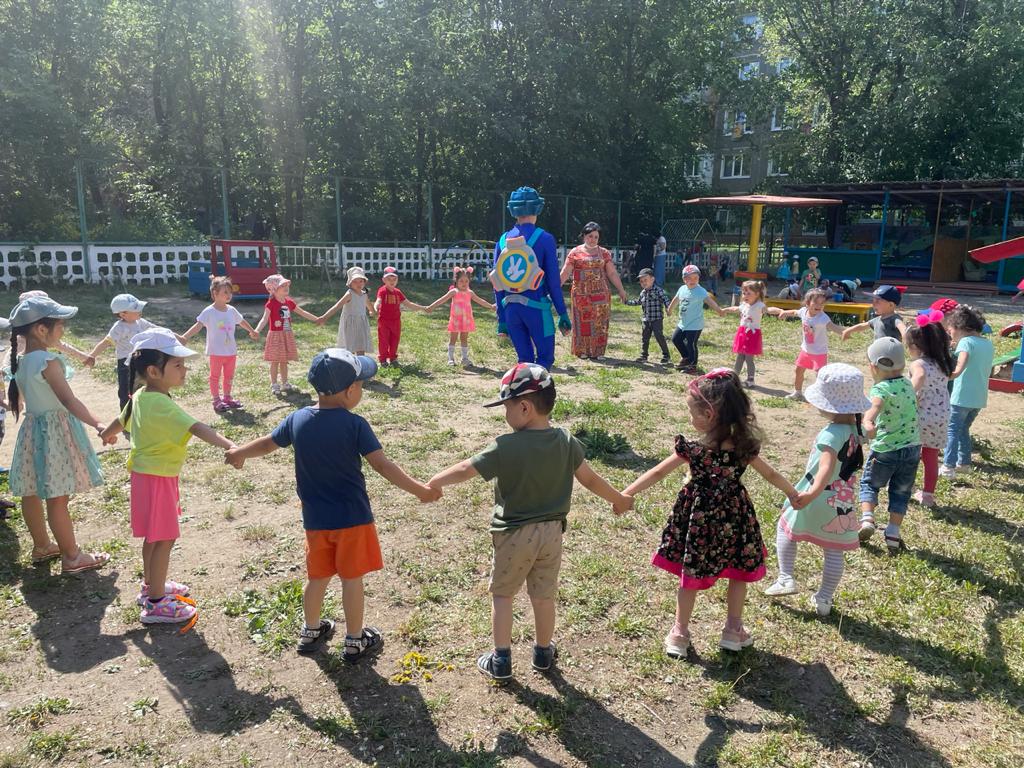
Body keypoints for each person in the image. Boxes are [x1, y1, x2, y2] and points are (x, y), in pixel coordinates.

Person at [226, 349, 439, 658]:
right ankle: (354, 640)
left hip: (315, 520)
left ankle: (311, 629)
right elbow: (383, 465)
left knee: (317, 578)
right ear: (350, 390)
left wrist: (240, 452)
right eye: (361, 385)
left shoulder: (297, 418)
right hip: (353, 519)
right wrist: (420, 490)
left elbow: (268, 443)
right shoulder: (355, 425)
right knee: (352, 579)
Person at [427, 363, 632, 681]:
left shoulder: (505, 446)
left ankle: (501, 660)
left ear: (524, 407)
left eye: (506, 407)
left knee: (503, 595)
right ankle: (543, 652)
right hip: (552, 534)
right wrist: (618, 498)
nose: (505, 414)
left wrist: (435, 482)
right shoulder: (565, 441)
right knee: (543, 595)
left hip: (513, 534)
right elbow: (590, 479)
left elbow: (467, 468)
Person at [621, 369, 801, 656]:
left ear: (708, 414)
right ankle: (732, 630)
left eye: (692, 413)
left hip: (699, 519)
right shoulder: (743, 448)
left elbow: (657, 472)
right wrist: (792, 494)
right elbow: (771, 474)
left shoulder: (693, 450)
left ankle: (679, 633)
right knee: (739, 572)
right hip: (735, 517)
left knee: (690, 573)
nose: (690, 419)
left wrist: (627, 493)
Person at [99, 329, 235, 625]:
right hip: (158, 477)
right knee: (164, 537)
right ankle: (157, 603)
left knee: (154, 535)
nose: (184, 369)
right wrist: (230, 446)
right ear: (153, 371)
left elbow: (121, 419)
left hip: (145, 475)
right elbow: (197, 427)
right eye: (177, 364)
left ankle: (152, 585)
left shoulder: (141, 395)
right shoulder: (161, 403)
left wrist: (106, 434)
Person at [7, 296, 109, 574]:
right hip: (55, 435)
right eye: (60, 325)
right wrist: (99, 424)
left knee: (31, 491)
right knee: (57, 497)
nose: (63, 330)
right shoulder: (48, 361)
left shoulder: (20, 362)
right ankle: (72, 556)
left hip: (32, 432)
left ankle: (42, 546)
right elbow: (68, 401)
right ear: (41, 329)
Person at [765, 363, 868, 616]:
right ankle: (824, 599)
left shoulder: (830, 434)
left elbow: (825, 468)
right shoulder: (856, 430)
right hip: (841, 501)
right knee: (834, 549)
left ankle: (786, 577)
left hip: (818, 495)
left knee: (785, 528)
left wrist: (810, 494)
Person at [491, 187, 571, 370]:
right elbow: (553, 282)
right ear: (537, 208)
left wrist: (502, 320)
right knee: (545, 359)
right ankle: (539, 389)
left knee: (524, 361)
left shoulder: (502, 241)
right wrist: (562, 313)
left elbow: (497, 283)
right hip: (538, 309)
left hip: (511, 310)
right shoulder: (545, 238)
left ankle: (524, 389)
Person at [859, 337, 921, 553]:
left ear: (873, 366)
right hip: (912, 448)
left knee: (870, 484)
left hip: (885, 449)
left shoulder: (880, 389)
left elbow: (875, 407)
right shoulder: (907, 384)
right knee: (901, 491)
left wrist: (868, 421)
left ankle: (867, 519)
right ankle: (893, 532)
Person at [180, 277, 260, 413]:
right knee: (215, 376)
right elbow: (198, 325)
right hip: (216, 352)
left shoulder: (231, 310)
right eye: (225, 292)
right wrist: (185, 337)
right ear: (215, 294)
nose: (229, 295)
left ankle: (227, 397)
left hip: (231, 352)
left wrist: (252, 331)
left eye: (230, 292)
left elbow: (241, 321)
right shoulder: (209, 312)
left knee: (229, 376)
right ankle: (216, 399)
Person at [905, 312, 954, 507]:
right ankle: (927, 496)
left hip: (921, 416)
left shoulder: (918, 364)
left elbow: (918, 378)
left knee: (911, 455)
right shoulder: (942, 363)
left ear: (915, 347)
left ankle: (905, 487)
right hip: (941, 416)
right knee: (931, 456)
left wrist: (907, 393)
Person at [559, 222, 628, 360]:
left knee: (600, 322)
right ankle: (582, 350)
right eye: (590, 236)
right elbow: (566, 272)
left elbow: (612, 273)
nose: (593, 239)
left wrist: (621, 290)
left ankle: (598, 351)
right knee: (582, 322)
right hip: (580, 294)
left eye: (596, 237)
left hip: (601, 294)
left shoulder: (604, 253)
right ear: (584, 236)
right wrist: (554, 289)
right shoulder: (574, 252)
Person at [940, 305, 994, 478]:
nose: (950, 334)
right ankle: (964, 463)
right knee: (963, 428)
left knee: (952, 430)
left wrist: (947, 376)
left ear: (960, 328)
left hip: (961, 397)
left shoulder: (965, 342)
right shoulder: (987, 343)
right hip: (979, 397)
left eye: (951, 331)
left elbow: (960, 365)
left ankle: (948, 466)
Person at [86, 293, 157, 413]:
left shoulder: (140, 322)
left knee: (143, 388)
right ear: (123, 314)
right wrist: (92, 355)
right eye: (135, 309)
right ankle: (126, 417)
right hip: (126, 364)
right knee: (126, 391)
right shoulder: (119, 328)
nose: (140, 310)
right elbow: (106, 342)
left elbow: (157, 329)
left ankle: (142, 414)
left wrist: (176, 336)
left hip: (141, 360)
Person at [770, 288, 844, 401]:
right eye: (816, 302)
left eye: (822, 303)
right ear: (807, 303)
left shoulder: (822, 317)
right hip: (805, 350)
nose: (819, 306)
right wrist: (785, 312)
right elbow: (794, 312)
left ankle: (823, 396)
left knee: (820, 375)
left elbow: (833, 327)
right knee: (798, 371)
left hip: (819, 352)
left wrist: (846, 332)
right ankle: (798, 392)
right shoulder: (804, 311)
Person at [254, 274, 322, 395]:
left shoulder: (289, 302)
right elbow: (264, 319)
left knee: (284, 360)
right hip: (275, 335)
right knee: (275, 361)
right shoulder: (271, 303)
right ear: (274, 290)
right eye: (282, 286)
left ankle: (285, 383)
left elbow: (302, 312)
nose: (286, 287)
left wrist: (316, 319)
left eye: (286, 285)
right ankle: (274, 384)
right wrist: (257, 330)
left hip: (287, 334)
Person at [425, 266, 496, 366]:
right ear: (456, 281)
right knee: (453, 338)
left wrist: (491, 306)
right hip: (456, 320)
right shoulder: (454, 292)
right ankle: (450, 358)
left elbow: (480, 301)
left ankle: (465, 358)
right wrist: (431, 306)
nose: (464, 283)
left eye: (466, 281)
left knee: (464, 339)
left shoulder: (470, 292)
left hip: (466, 320)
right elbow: (442, 300)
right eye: (461, 281)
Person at [667, 265, 725, 373]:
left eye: (695, 278)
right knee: (676, 339)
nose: (693, 280)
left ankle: (692, 365)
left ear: (698, 278)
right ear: (684, 279)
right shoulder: (682, 289)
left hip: (695, 324)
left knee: (691, 344)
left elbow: (710, 301)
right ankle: (686, 358)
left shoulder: (700, 291)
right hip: (683, 323)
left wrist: (719, 310)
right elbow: (676, 299)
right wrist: (670, 309)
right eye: (689, 278)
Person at [373, 266, 428, 365]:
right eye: (389, 279)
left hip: (396, 321)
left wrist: (423, 308)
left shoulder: (398, 292)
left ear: (397, 280)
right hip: (384, 321)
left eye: (394, 279)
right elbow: (378, 300)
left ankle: (393, 358)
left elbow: (409, 304)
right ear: (383, 280)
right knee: (384, 340)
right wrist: (375, 308)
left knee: (395, 340)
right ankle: (383, 360)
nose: (392, 281)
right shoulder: (382, 290)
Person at [319, 267, 375, 358]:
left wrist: (373, 311)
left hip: (361, 323)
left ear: (364, 282)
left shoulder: (364, 294)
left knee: (361, 345)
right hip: (350, 324)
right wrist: (324, 317)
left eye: (361, 281)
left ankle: (360, 362)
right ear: (350, 283)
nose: (358, 284)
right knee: (350, 346)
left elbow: (369, 305)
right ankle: (349, 362)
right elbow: (337, 306)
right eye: (355, 281)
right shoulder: (349, 294)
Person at [722, 280, 769, 388]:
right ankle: (734, 377)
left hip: (752, 335)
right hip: (742, 333)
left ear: (757, 294)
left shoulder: (759, 305)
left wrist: (780, 311)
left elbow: (769, 310)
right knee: (739, 357)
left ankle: (750, 380)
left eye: (749, 293)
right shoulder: (744, 305)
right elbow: (735, 309)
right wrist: (725, 309)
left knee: (749, 359)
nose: (745, 296)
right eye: (744, 293)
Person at [625, 267, 671, 364]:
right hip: (646, 319)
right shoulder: (643, 293)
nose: (643, 283)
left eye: (645, 280)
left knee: (659, 336)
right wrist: (627, 302)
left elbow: (666, 300)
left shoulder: (658, 290)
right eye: (641, 281)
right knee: (645, 338)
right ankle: (644, 355)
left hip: (657, 319)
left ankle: (666, 355)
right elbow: (638, 302)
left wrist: (668, 308)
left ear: (652, 279)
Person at [842, 285, 906, 343]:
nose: (873, 304)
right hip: (877, 350)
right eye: (873, 301)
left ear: (891, 305)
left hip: (891, 351)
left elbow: (903, 329)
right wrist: (848, 330)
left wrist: (906, 338)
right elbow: (862, 326)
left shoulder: (894, 319)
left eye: (877, 301)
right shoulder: (877, 320)